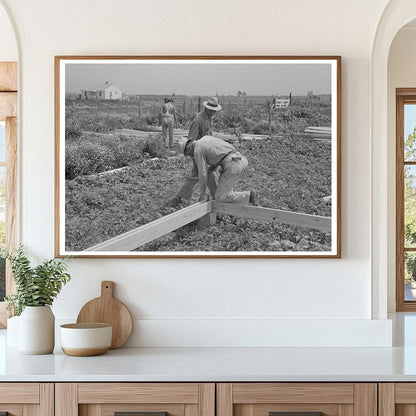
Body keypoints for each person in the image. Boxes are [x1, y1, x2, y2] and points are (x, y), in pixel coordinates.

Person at [168, 97, 222, 206]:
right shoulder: (198, 120)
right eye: (211, 110)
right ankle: (217, 197)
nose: (213, 112)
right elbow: (192, 140)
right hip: (198, 152)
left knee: (197, 175)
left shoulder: (209, 118)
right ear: (206, 108)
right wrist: (196, 156)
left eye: (214, 110)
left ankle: (180, 197)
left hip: (206, 152)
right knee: (208, 174)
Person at [177, 135, 259, 205]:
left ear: (188, 148)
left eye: (188, 154)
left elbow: (202, 174)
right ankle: (222, 204)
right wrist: (212, 168)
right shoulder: (205, 138)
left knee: (220, 197)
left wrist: (202, 195)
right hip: (240, 160)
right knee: (223, 192)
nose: (191, 156)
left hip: (232, 164)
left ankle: (249, 195)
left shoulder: (197, 150)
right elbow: (219, 153)